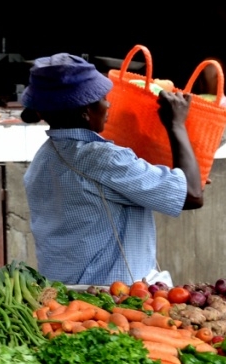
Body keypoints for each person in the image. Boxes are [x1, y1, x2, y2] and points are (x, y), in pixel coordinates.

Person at [21, 53, 204, 286]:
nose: (108, 105)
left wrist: (167, 178)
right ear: (86, 112)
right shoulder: (102, 158)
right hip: (108, 298)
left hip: (60, 291)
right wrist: (176, 124)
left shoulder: (44, 157)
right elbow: (192, 195)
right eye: (103, 99)